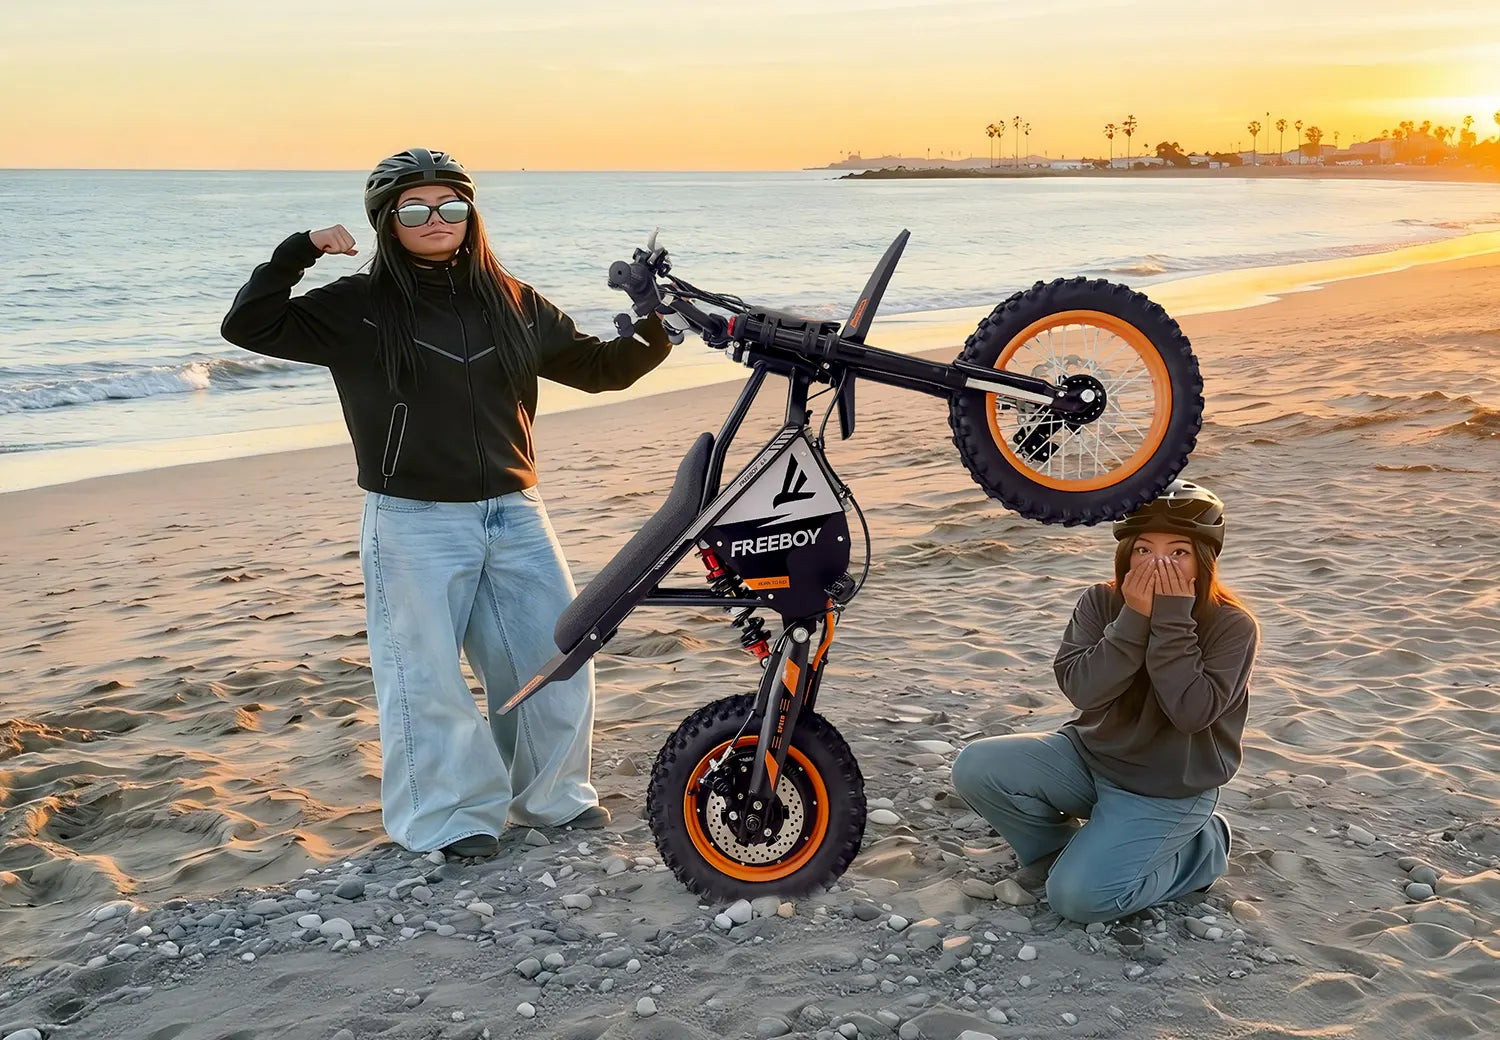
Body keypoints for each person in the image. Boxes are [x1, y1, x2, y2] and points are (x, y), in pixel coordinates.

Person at [221, 148, 673, 858]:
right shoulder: (355, 306)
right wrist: (299, 250)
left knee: (554, 660)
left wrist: (653, 322)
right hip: (413, 519)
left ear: (471, 214)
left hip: (516, 510)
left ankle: (552, 801)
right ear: (386, 220)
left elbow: (596, 370)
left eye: (451, 205)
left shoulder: (513, 299)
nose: (436, 218)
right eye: (415, 208)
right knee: (424, 678)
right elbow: (248, 325)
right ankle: (449, 819)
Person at [951, 480, 1259, 923]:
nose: (1158, 564)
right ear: (1126, 554)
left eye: (1178, 552)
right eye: (1144, 550)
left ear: (1204, 560)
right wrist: (1134, 617)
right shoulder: (1100, 601)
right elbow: (1084, 691)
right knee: (977, 766)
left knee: (1078, 902)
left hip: (1168, 789)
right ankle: (1058, 852)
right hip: (1089, 758)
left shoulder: (1233, 625)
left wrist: (1172, 619)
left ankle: (1201, 850)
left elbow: (1191, 713)